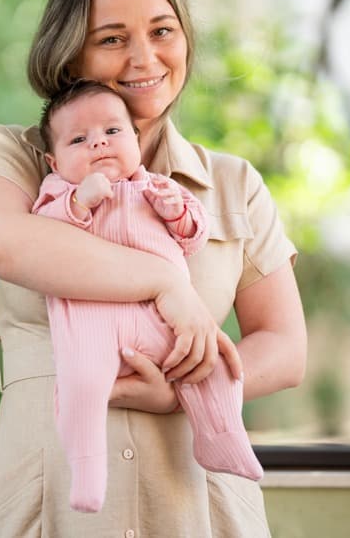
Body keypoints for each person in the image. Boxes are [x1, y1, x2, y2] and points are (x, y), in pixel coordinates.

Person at [0, 0, 306, 536]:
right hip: (53, 507)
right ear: (70, 56)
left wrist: (177, 394)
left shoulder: (231, 183)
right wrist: (166, 280)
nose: (145, 57)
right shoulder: (16, 156)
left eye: (163, 30)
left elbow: (285, 347)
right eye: (113, 38)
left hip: (197, 507)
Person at [34, 79, 263, 513]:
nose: (98, 143)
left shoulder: (156, 187)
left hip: (162, 317)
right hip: (92, 317)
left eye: (112, 132)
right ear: (54, 160)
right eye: (79, 140)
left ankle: (223, 437)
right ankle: (86, 471)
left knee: (214, 363)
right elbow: (41, 236)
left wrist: (176, 211)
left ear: (136, 139)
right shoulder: (57, 192)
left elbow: (195, 238)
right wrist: (79, 204)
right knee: (81, 385)